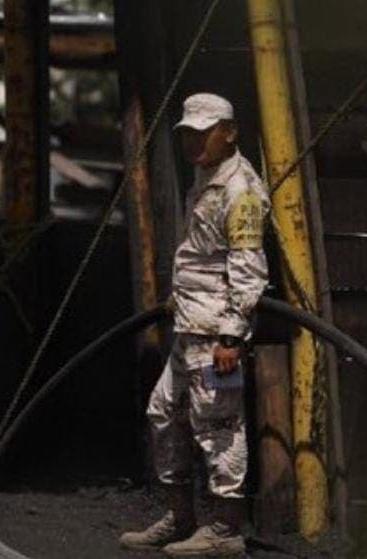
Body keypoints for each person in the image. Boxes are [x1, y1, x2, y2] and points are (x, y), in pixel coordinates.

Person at [118, 93, 269, 557]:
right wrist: (179, 297)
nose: (195, 141)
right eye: (189, 133)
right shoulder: (207, 178)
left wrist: (231, 334)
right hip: (191, 325)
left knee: (218, 425)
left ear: (230, 132)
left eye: (205, 132)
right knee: (165, 412)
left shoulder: (240, 190)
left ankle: (225, 530)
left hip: (215, 334)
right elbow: (203, 253)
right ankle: (181, 517)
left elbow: (248, 265)